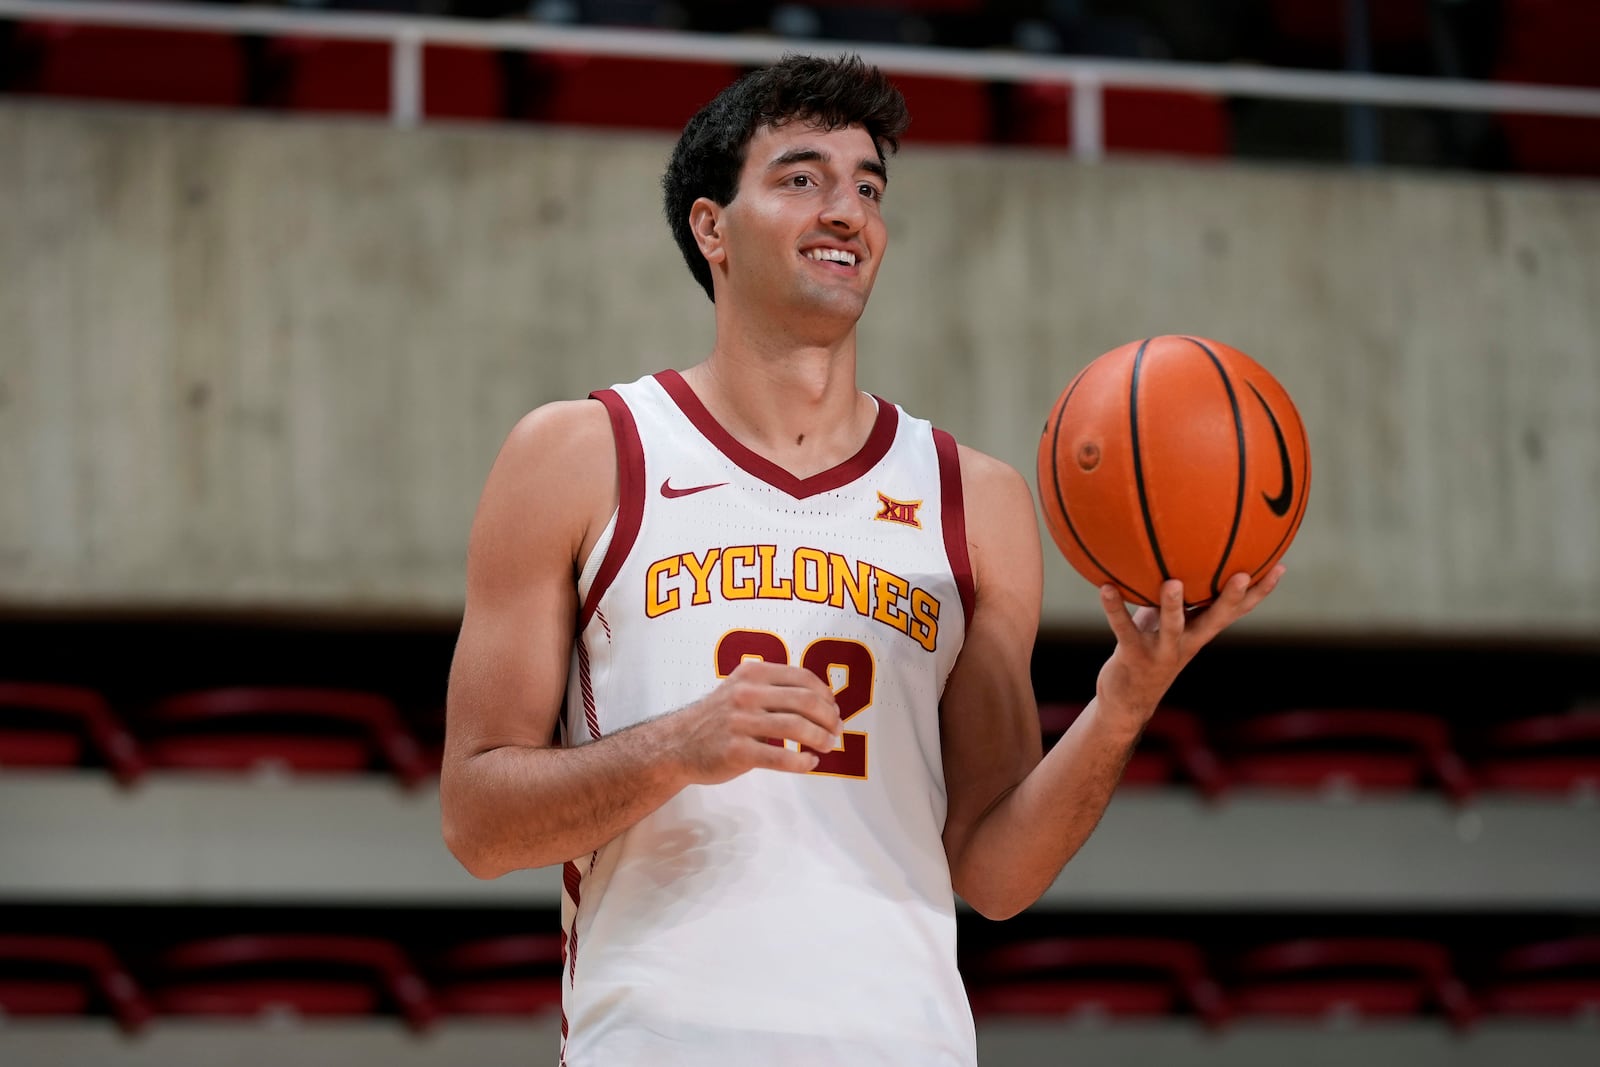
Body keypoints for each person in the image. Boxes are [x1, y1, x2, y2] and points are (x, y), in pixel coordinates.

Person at [440, 53, 1283, 1066]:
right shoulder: (581, 452)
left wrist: (1123, 702)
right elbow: (478, 819)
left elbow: (996, 872)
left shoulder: (977, 496)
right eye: (801, 177)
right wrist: (677, 745)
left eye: (868, 186)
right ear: (712, 227)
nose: (846, 209)